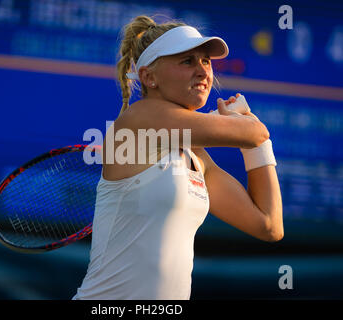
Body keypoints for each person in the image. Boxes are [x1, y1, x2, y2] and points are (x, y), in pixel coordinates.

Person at [73, 16, 283, 300]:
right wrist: (247, 125)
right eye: (187, 62)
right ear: (149, 77)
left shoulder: (197, 158)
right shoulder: (139, 119)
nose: (203, 71)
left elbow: (269, 225)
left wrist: (255, 143)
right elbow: (253, 131)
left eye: (206, 61)